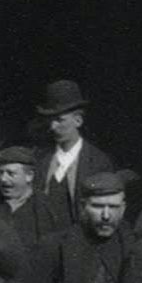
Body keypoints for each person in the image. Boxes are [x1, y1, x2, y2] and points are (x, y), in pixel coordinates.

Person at [34, 79, 114, 229]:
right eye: (51, 120)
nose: (53, 126)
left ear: (78, 121)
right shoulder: (40, 159)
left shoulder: (98, 162)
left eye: (59, 120)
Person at [0, 146, 60, 250]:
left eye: (10, 173)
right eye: (1, 172)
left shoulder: (44, 207)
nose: (3, 179)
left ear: (29, 176)